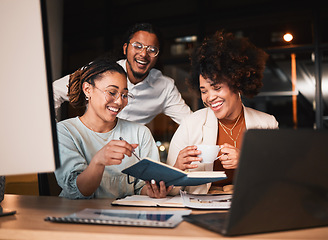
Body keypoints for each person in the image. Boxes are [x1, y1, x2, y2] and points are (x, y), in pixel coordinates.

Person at [166, 31, 279, 194]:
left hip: (247, 205)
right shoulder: (191, 124)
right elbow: (168, 189)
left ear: (237, 83)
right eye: (203, 90)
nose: (210, 97)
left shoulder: (268, 124)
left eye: (217, 87)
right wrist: (177, 168)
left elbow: (279, 178)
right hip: (202, 207)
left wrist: (246, 161)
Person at [54, 57, 173, 199]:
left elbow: (141, 187)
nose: (119, 101)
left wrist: (152, 191)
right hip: (78, 216)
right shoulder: (64, 131)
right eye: (111, 92)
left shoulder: (140, 133)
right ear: (87, 89)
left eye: (124, 95)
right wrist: (99, 161)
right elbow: (78, 191)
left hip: (126, 217)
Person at [53, 23, 192, 124]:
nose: (143, 54)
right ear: (125, 48)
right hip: (92, 147)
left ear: (157, 55)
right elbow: (54, 91)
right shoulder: (99, 71)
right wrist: (52, 133)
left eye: (152, 50)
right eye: (138, 46)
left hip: (128, 156)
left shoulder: (165, 87)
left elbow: (190, 122)